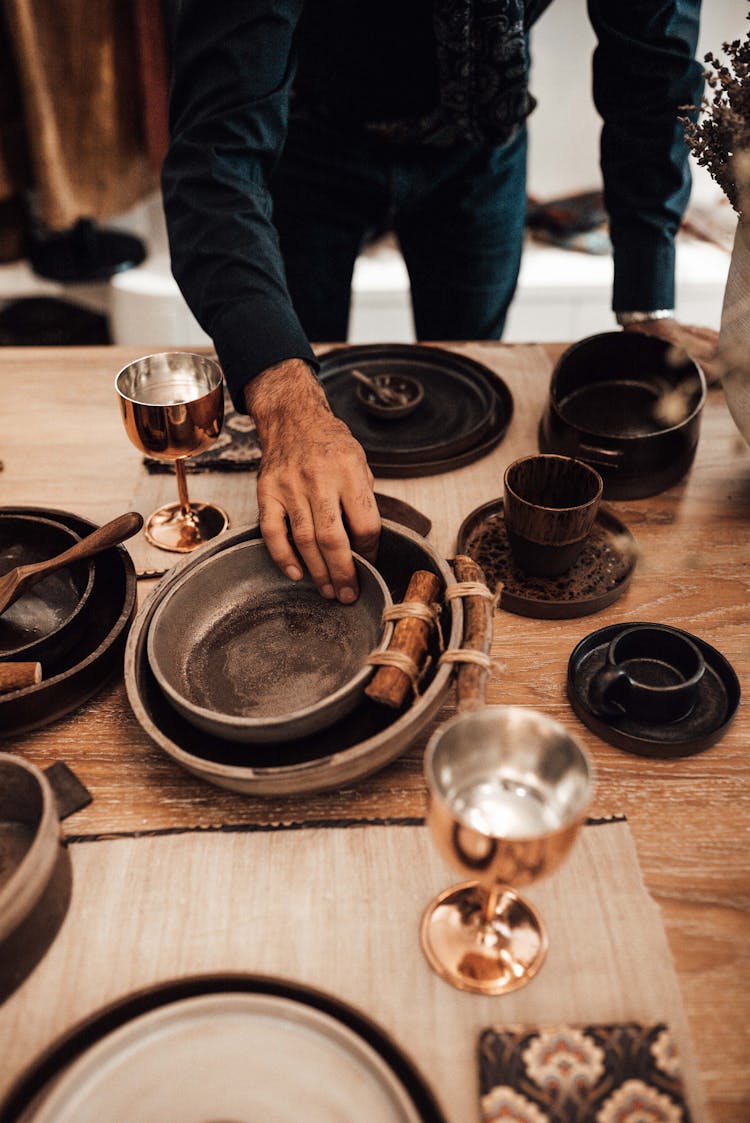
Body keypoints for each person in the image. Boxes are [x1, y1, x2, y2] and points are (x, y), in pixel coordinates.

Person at [161, 0, 715, 603]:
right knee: (296, 410)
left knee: (478, 400)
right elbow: (215, 154)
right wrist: (284, 402)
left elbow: (654, 67)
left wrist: (647, 296)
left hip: (482, 150)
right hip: (308, 141)